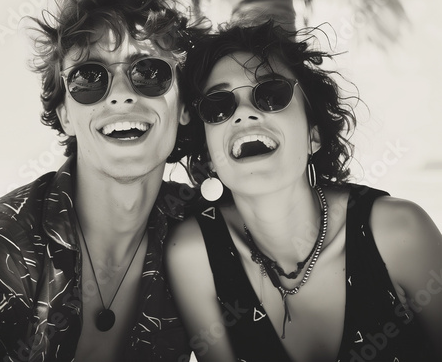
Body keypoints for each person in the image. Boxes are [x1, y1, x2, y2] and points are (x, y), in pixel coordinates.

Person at [0, 0, 208, 361]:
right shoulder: (2, 243)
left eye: (149, 72)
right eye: (88, 78)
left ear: (185, 104)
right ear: (65, 114)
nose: (120, 95)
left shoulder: (203, 225)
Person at [166, 20, 442, 361]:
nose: (245, 113)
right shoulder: (195, 257)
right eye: (218, 106)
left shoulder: (400, 233)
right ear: (208, 156)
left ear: (313, 136)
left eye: (271, 94)